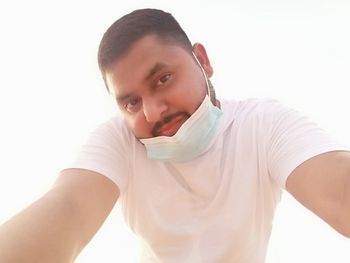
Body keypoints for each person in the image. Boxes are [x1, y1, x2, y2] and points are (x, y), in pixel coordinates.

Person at [0, 8, 349, 263]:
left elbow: (336, 188)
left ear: (202, 60)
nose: (152, 112)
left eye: (163, 79)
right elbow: (70, 208)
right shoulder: (119, 141)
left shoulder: (263, 124)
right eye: (131, 102)